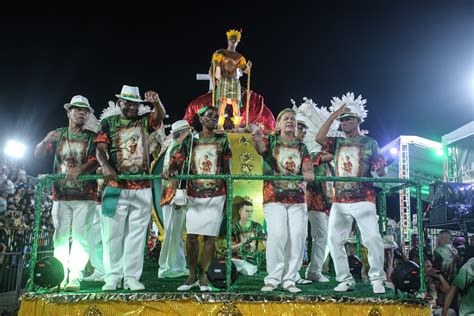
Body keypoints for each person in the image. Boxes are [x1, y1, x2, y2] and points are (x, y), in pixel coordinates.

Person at [95, 85, 166, 291]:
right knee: (112, 234)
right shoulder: (109, 122)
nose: (134, 107)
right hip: (116, 186)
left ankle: (131, 277)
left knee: (136, 235)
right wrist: (106, 165)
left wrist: (156, 102)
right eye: (129, 103)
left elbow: (159, 117)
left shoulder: (144, 121)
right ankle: (112, 276)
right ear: (120, 103)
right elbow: (100, 148)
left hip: (142, 186)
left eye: (137, 104)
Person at [315, 92, 387, 294]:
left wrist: (381, 171)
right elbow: (319, 137)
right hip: (340, 201)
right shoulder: (336, 143)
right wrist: (334, 115)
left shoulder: (370, 142)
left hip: (365, 199)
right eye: (342, 120)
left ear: (357, 121)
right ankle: (345, 279)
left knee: (372, 238)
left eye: (347, 119)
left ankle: (377, 278)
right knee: (334, 240)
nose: (344, 122)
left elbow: (380, 168)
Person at [34, 95, 98, 291]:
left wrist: (80, 170)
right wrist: (45, 140)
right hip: (60, 195)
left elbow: (96, 160)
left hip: (85, 196)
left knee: (80, 236)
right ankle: (59, 276)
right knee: (60, 237)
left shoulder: (91, 137)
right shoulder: (58, 134)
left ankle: (75, 276)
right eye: (78, 109)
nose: (82, 113)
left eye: (85, 110)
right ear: (69, 112)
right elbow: (37, 154)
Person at [168, 106, 232, 292]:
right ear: (201, 119)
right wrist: (172, 170)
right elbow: (177, 161)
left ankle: (204, 277)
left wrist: (229, 195)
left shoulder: (223, 139)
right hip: (194, 195)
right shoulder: (190, 140)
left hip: (216, 195)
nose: (213, 119)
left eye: (216, 116)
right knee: (192, 237)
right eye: (209, 116)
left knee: (210, 237)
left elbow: (226, 168)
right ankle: (191, 276)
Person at [252, 108, 314, 293]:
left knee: (297, 238)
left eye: (293, 119)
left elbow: (307, 162)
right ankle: (273, 278)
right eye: (286, 118)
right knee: (278, 235)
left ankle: (289, 279)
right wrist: (256, 138)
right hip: (274, 197)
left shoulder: (301, 146)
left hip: (297, 198)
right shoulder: (271, 140)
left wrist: (308, 171)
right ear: (278, 124)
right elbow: (262, 150)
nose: (290, 121)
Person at [158, 120, 192, 279]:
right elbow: (173, 172)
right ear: (183, 133)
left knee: (175, 233)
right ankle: (166, 267)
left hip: (170, 195)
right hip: (174, 196)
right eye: (188, 132)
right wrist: (177, 195)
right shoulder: (178, 148)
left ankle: (177, 265)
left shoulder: (171, 147)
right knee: (172, 232)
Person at [212, 29, 252, 129]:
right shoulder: (221, 53)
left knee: (235, 103)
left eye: (235, 39)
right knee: (222, 103)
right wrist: (214, 63)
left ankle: (236, 126)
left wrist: (248, 67)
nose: (233, 41)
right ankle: (219, 126)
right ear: (228, 40)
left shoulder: (239, 57)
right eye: (231, 39)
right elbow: (215, 65)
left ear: (238, 42)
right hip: (224, 81)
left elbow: (245, 70)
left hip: (234, 82)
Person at [231, 198, 265, 276]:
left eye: (251, 211)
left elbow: (265, 243)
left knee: (248, 270)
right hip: (237, 260)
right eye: (247, 211)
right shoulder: (233, 228)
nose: (250, 213)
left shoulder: (257, 227)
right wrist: (242, 243)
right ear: (240, 212)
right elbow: (230, 248)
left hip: (251, 261)